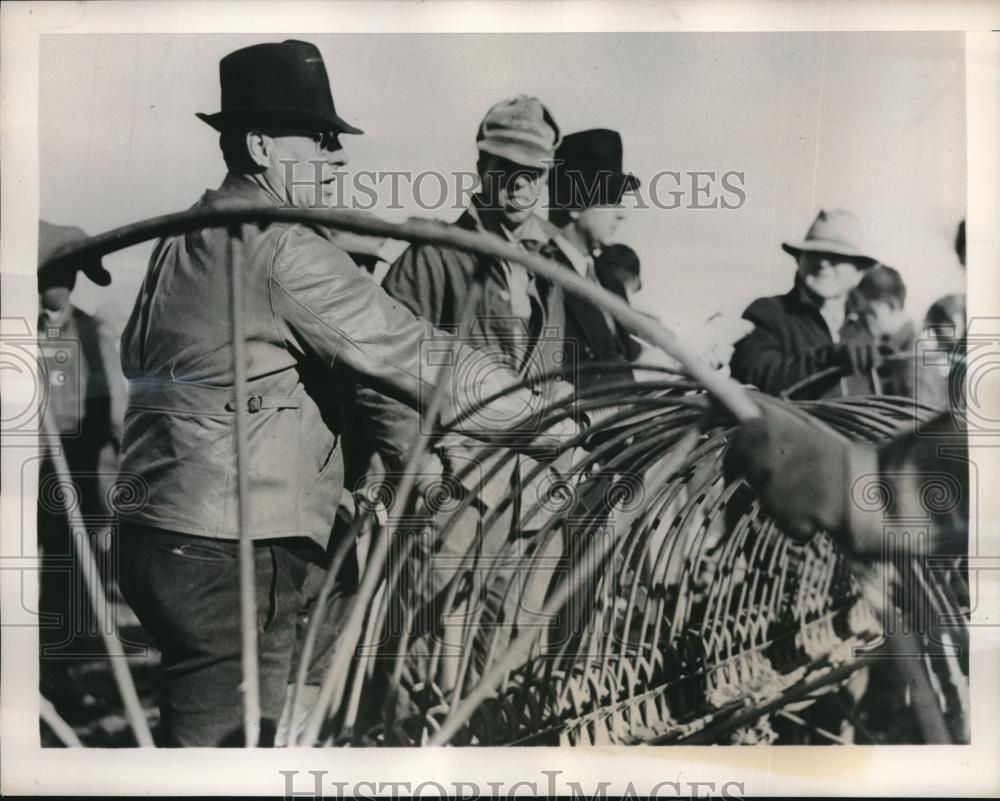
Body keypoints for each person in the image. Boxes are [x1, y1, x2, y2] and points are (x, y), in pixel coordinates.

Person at [115, 40, 572, 747]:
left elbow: (138, 358)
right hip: (236, 540)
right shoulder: (281, 245)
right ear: (262, 145)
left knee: (293, 688)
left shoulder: (184, 236)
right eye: (321, 138)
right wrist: (545, 414)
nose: (337, 155)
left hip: (162, 529)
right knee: (228, 747)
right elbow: (412, 351)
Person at [354, 96, 573, 693]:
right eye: (507, 169)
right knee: (423, 648)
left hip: (527, 495)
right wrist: (419, 465)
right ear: (481, 168)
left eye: (534, 174)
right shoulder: (437, 256)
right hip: (457, 491)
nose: (520, 186)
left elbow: (547, 370)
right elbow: (376, 373)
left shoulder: (546, 269)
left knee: (501, 650)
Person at [37, 221, 127, 698]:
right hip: (18, 476)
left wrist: (112, 482)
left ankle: (60, 678)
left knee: (68, 576)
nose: (64, 286)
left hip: (73, 475)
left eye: (70, 275)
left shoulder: (93, 333)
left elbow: (115, 411)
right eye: (56, 274)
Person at [730, 209, 886, 399]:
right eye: (814, 254)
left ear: (859, 272)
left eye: (836, 256)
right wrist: (828, 357)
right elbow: (757, 379)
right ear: (799, 260)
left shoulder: (865, 325)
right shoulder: (767, 313)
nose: (823, 263)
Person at [548, 128, 640, 391]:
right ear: (575, 204)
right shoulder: (541, 276)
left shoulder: (608, 280)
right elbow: (555, 380)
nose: (622, 213)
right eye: (611, 199)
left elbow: (629, 355)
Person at [854, 264, 916, 396]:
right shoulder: (894, 348)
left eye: (867, 313)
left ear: (892, 306)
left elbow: (924, 415)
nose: (861, 321)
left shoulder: (914, 357)